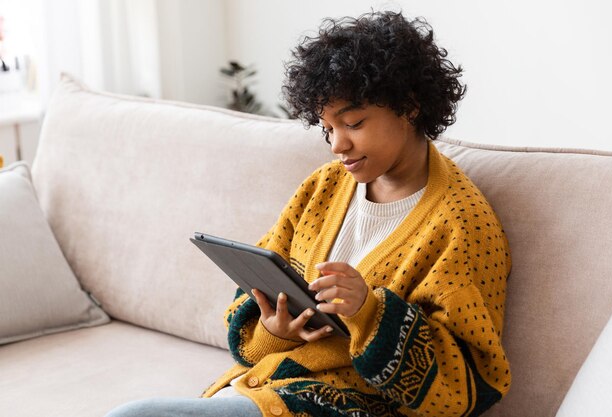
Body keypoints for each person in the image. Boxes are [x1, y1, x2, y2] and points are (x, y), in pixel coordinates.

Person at [106, 10, 511, 417]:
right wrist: (273, 330)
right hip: (268, 391)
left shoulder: (462, 223)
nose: (337, 145)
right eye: (327, 128)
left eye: (352, 123)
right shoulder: (324, 187)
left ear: (408, 106)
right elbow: (253, 302)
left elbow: (466, 387)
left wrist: (369, 311)